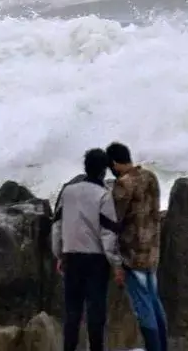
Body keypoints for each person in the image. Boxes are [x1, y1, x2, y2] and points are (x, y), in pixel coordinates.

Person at [51, 148, 122, 351]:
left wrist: (59, 254)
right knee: (95, 312)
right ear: (103, 171)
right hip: (96, 261)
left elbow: (57, 226)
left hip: (71, 257)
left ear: (85, 168)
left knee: (72, 313)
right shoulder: (103, 195)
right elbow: (108, 234)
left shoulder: (68, 192)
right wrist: (116, 264)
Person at [107, 142, 168, 351]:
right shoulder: (150, 177)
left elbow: (114, 219)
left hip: (133, 254)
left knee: (143, 305)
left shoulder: (123, 184)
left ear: (114, 163)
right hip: (152, 250)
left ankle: (153, 347)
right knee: (154, 300)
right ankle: (163, 346)